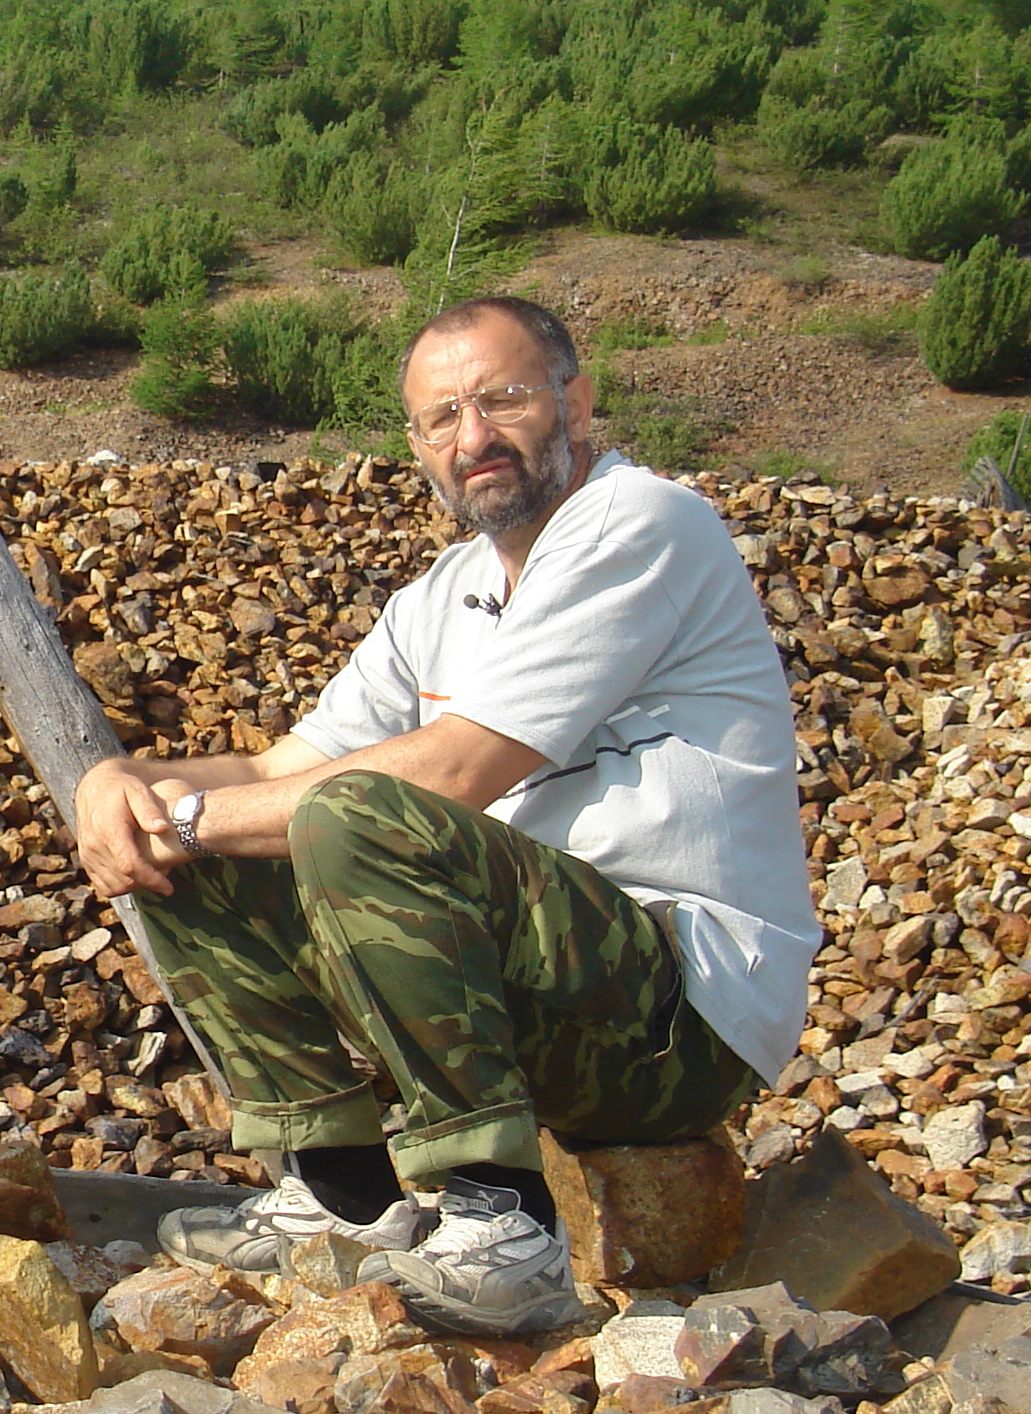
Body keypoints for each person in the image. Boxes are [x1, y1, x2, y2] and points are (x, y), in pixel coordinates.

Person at [74, 295, 818, 1334]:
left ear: (575, 403)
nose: (474, 438)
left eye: (502, 399)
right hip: (536, 991)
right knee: (196, 834)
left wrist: (188, 817)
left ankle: (504, 1230)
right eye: (441, 418)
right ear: (419, 445)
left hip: (678, 1016)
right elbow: (272, 767)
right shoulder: (441, 597)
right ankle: (338, 1199)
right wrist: (120, 783)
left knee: (348, 815)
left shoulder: (641, 522)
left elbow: (457, 770)